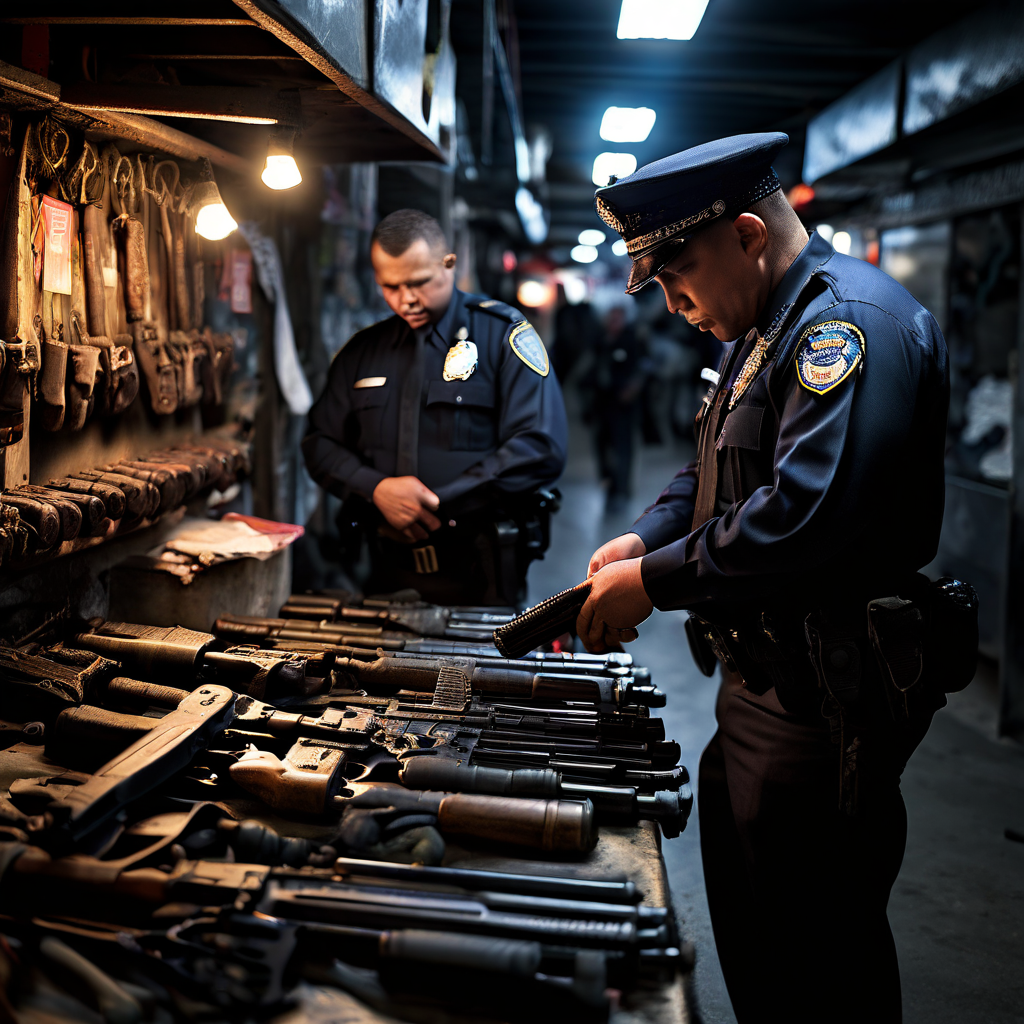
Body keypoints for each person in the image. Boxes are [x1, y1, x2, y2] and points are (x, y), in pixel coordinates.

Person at [575, 134, 965, 1022]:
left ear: (749, 235)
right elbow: (712, 472)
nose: (673, 307)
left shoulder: (845, 327)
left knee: (821, 960)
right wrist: (644, 540)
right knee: (761, 942)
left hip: (825, 711)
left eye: (678, 280)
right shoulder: (766, 331)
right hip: (762, 691)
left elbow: (803, 515)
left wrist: (658, 583)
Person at [303, 209, 567, 606]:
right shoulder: (363, 352)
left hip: (481, 574)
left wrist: (433, 503)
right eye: (390, 286)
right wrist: (376, 490)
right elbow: (319, 442)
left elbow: (540, 447)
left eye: (419, 283)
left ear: (449, 264)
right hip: (382, 574)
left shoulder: (501, 336)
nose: (406, 299)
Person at [580, 306, 649, 513]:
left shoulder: (632, 341)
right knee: (602, 446)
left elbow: (643, 368)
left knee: (622, 449)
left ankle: (621, 490)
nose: (614, 323)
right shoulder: (600, 341)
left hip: (623, 406)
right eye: (612, 319)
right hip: (603, 403)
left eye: (618, 319)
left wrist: (632, 389)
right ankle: (609, 483)